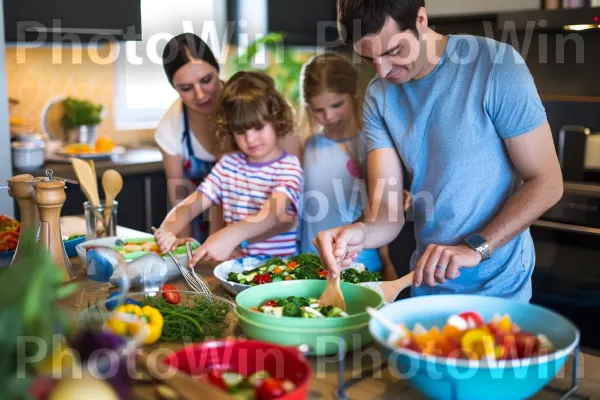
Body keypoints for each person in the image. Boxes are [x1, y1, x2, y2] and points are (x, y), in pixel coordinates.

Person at [313, 0, 564, 301]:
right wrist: (358, 234)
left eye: (393, 51)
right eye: (367, 58)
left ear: (420, 19)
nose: (382, 70)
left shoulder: (494, 65)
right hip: (426, 283)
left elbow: (547, 182)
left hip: (498, 289)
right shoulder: (378, 97)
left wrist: (476, 247)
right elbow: (387, 212)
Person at [155, 33, 301, 244]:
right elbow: (184, 201)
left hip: (262, 242)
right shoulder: (174, 128)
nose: (200, 95)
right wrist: (172, 240)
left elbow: (283, 214)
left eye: (206, 80)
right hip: (223, 243)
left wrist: (231, 239)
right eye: (186, 88)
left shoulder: (257, 108)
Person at [298, 52, 410, 279]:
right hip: (310, 261)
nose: (328, 116)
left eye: (336, 104)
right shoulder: (306, 146)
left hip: (362, 263)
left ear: (354, 94)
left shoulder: (374, 143)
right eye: (318, 110)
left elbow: (384, 208)